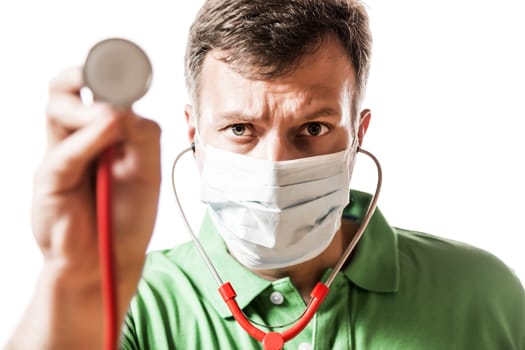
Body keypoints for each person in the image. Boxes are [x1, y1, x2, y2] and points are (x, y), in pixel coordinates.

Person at [5, 0, 525, 349]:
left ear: (359, 133)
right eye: (239, 129)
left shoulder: (480, 296)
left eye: (314, 128)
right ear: (193, 130)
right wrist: (72, 277)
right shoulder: (130, 302)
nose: (276, 168)